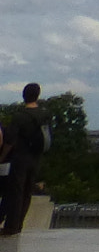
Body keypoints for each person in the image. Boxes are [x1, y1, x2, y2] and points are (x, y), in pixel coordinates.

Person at [1, 83, 50, 236]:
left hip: (20, 158)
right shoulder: (45, 114)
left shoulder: (20, 116)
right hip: (36, 157)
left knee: (16, 191)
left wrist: (2, 157)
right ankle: (19, 224)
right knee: (27, 191)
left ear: (24, 95)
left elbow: (10, 140)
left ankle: (11, 226)